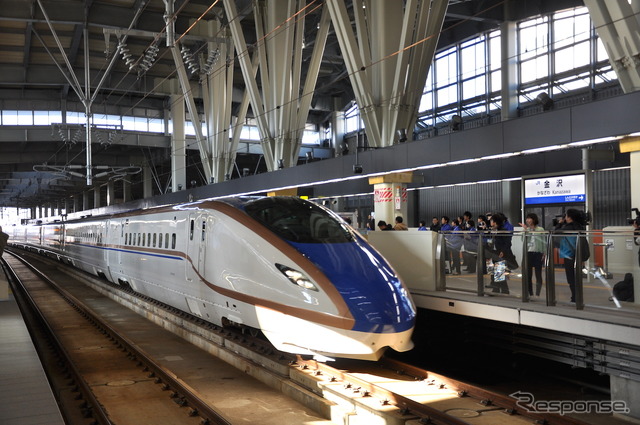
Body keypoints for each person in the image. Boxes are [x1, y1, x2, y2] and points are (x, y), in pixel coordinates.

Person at [554, 208, 588, 303]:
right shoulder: (579, 226)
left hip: (569, 254)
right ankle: (577, 296)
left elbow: (556, 232)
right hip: (577, 254)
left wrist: (559, 223)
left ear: (569, 217)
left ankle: (575, 297)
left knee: (571, 277)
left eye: (566, 216)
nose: (565, 217)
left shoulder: (567, 227)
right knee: (577, 277)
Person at [484, 214, 516, 294]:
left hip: (499, 253)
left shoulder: (503, 230)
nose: (490, 222)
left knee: (499, 272)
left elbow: (508, 243)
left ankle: (505, 290)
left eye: (491, 221)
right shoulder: (491, 230)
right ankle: (496, 289)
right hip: (491, 252)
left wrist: (503, 251)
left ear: (495, 222)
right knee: (492, 271)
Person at [519, 213, 546, 296]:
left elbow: (543, 241)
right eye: (527, 219)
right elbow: (523, 239)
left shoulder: (540, 229)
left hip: (538, 253)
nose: (528, 220)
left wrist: (544, 252)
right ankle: (530, 292)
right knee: (528, 274)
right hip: (528, 253)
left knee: (538, 274)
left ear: (534, 219)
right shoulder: (526, 229)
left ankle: (538, 293)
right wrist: (526, 230)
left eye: (529, 218)